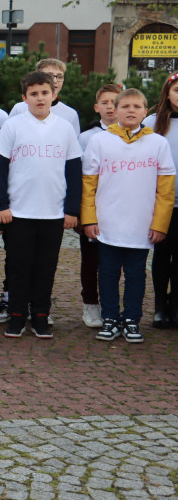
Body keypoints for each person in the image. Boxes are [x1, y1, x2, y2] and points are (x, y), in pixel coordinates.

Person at [0, 71, 82, 339]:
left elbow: (74, 171)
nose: (40, 98)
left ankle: (41, 315)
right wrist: (2, 204)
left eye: (45, 92)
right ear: (25, 98)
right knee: (18, 266)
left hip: (53, 213)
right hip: (18, 212)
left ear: (54, 95)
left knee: (46, 267)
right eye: (34, 94)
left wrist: (72, 209)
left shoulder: (64, 128)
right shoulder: (14, 126)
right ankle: (17, 316)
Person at [82, 88, 175, 344]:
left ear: (146, 112)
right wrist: (89, 219)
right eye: (125, 106)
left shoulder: (158, 143)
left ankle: (132, 319)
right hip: (107, 224)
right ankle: (110, 318)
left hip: (141, 225)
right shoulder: (99, 141)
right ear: (115, 110)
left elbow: (165, 191)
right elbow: (88, 184)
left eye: (136, 106)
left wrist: (160, 224)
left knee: (136, 274)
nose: (130, 110)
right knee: (108, 273)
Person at [76, 83, 122, 329]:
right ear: (97, 107)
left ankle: (111, 305)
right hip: (93, 209)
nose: (110, 106)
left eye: (115, 101)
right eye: (105, 102)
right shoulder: (86, 137)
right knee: (91, 260)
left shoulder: (134, 135)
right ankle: (90, 304)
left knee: (114, 262)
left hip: (119, 209)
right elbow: (80, 177)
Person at [145, 74, 178, 328]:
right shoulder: (152, 123)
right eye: (176, 90)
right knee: (161, 254)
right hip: (161, 203)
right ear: (167, 94)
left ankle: (175, 305)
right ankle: (159, 306)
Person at [8, 58, 81, 136]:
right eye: (49, 76)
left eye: (60, 77)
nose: (55, 81)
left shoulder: (70, 114)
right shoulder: (19, 109)